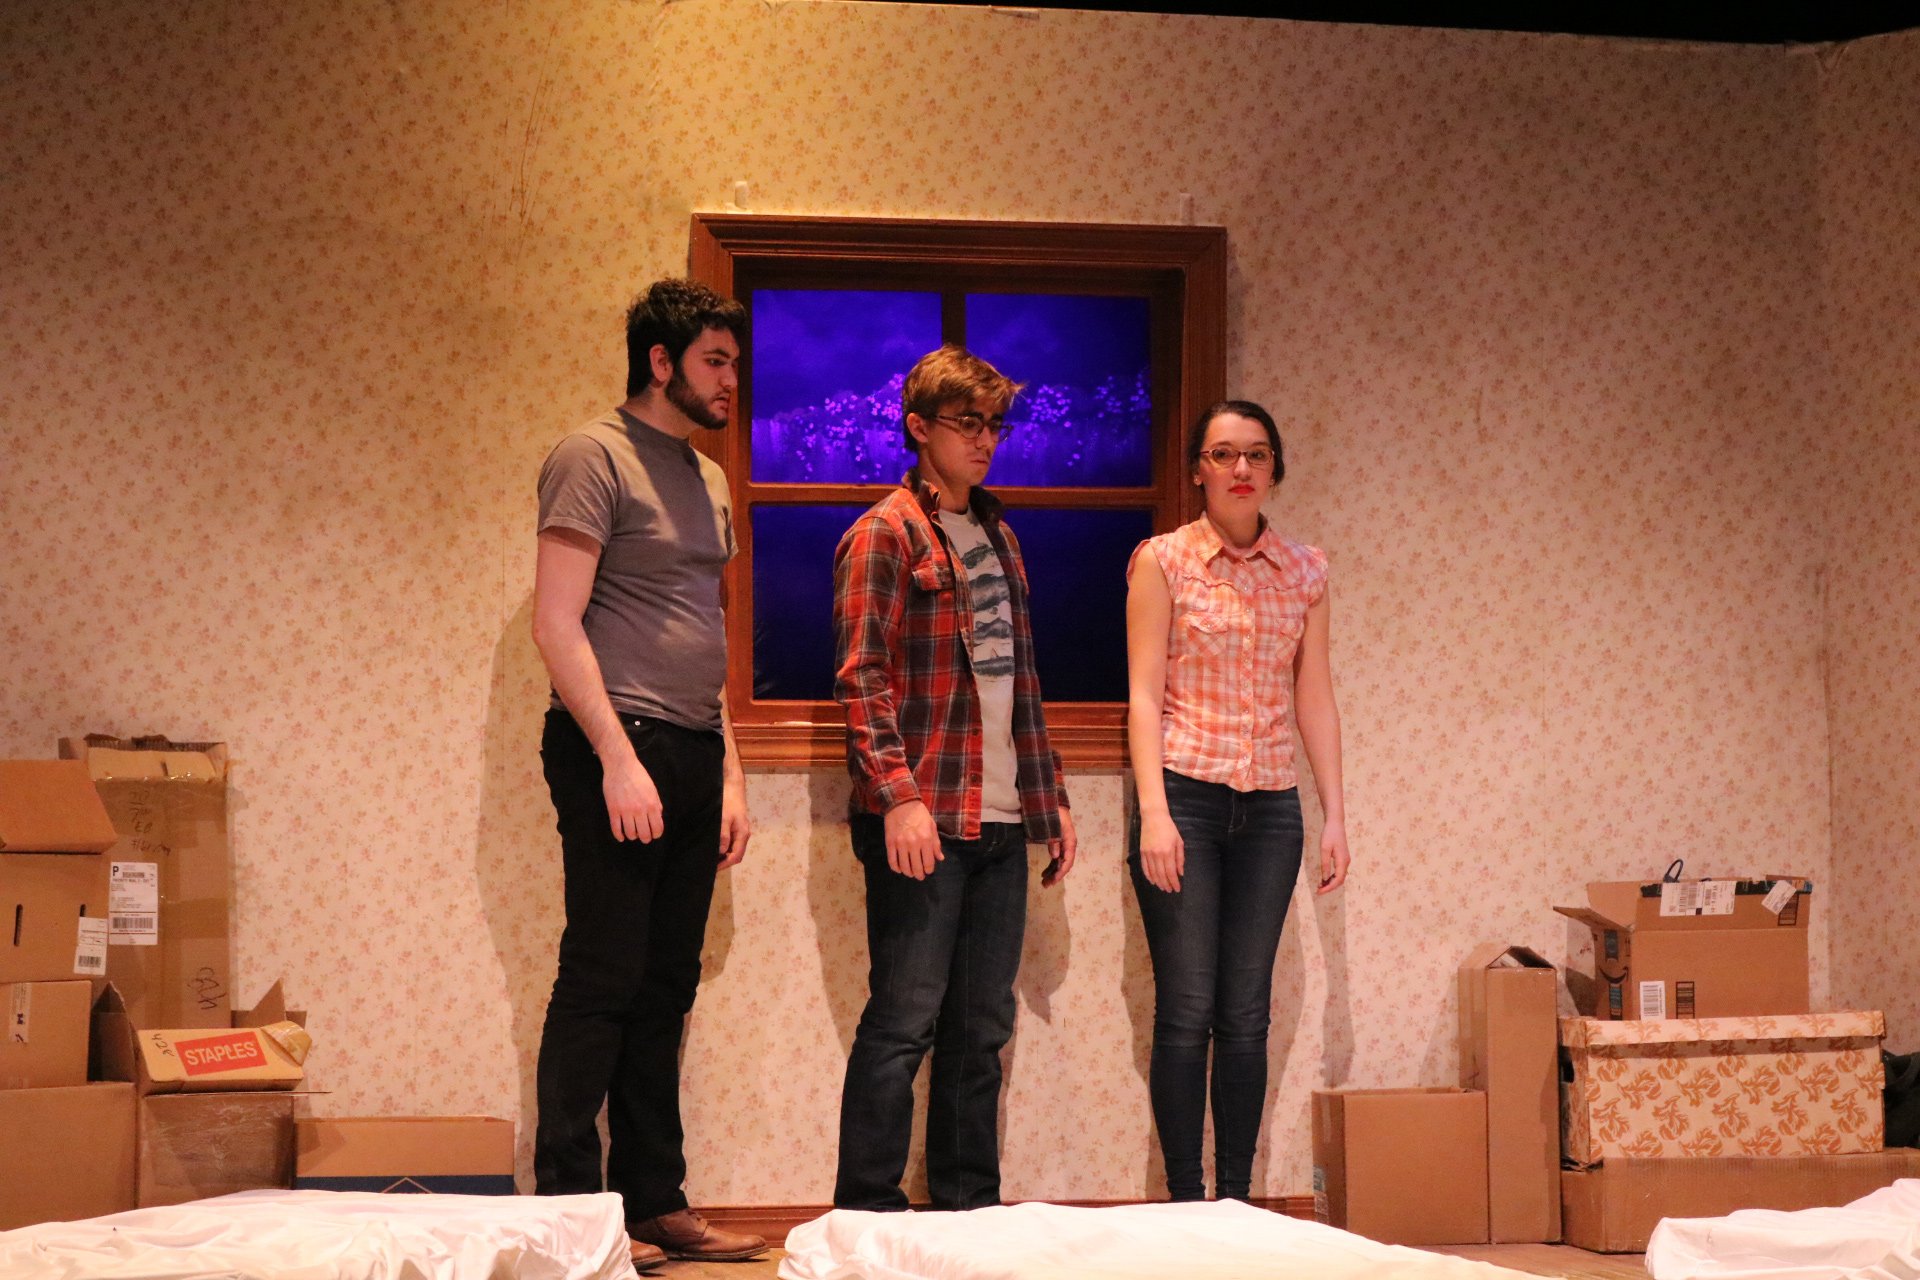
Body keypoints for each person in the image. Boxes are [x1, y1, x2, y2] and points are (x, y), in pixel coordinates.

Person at [530, 278, 767, 1267]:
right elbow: (556, 619)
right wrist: (617, 759)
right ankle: (575, 1213)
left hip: (691, 744)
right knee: (603, 973)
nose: (731, 379)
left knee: (667, 982)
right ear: (661, 361)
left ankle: (652, 1199)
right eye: (715, 360)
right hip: (612, 741)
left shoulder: (707, 476)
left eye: (734, 362)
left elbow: (706, 633)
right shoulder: (592, 455)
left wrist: (733, 774)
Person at [831, 345, 1079, 1212]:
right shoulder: (883, 534)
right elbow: (860, 678)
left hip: (1002, 817)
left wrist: (1050, 802)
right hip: (923, 816)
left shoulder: (1002, 538)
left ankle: (968, 1212)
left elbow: (1022, 682)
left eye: (994, 424)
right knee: (904, 1021)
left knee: (983, 1030)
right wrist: (898, 796)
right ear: (919, 429)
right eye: (966, 423)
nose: (985, 440)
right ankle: (866, 1212)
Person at [1124, 399, 1352, 1204]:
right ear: (1199, 469)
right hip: (1183, 796)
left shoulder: (1305, 571)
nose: (1241, 469)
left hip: (1269, 810)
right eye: (1224, 454)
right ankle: (1186, 1198)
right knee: (1187, 1007)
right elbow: (1144, 694)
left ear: (1274, 468)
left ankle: (1235, 1199)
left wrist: (1334, 814)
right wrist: (1153, 810)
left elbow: (1314, 696)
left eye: (1256, 454)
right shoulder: (1164, 560)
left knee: (1245, 1015)